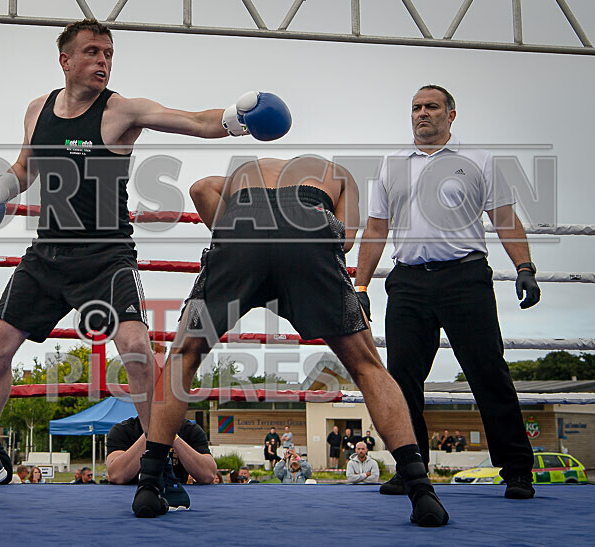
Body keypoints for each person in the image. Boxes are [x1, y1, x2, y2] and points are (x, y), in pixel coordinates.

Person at [0, 18, 290, 503]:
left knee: (135, 348)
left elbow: (193, 121)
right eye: (91, 52)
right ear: (65, 60)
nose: (102, 60)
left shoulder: (120, 111)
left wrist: (239, 116)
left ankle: (158, 463)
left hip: (106, 255)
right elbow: (26, 166)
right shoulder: (36, 110)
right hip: (47, 253)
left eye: (108, 53)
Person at [132, 156, 448, 526]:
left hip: (241, 229)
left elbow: (200, 188)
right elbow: (344, 241)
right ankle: (421, 489)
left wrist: (235, 234)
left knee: (184, 355)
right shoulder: (339, 175)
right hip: (307, 230)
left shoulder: (246, 170)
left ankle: (149, 482)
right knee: (367, 365)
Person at [354, 84, 539, 500]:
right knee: (401, 380)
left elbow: (505, 219)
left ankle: (517, 471)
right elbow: (376, 228)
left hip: (464, 279)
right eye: (416, 107)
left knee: (487, 372)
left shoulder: (479, 161)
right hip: (408, 282)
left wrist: (524, 268)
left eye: (431, 107)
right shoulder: (391, 165)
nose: (422, 113)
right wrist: (360, 285)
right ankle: (411, 470)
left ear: (450, 115)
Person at [107, 415, 216, 510]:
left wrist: (171, 434)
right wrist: (152, 431)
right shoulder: (123, 430)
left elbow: (207, 475)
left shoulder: (190, 430)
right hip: (131, 501)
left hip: (176, 501)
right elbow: (117, 475)